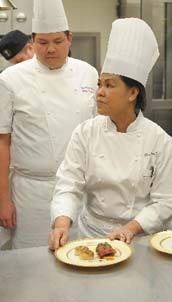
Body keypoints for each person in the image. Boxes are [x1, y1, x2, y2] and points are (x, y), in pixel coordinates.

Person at [0, 0, 98, 249]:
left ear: (69, 38)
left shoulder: (88, 73)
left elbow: (98, 132)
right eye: (43, 42)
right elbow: (1, 142)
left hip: (79, 192)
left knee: (80, 261)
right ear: (32, 41)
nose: (50, 49)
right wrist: (3, 200)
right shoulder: (10, 80)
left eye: (58, 41)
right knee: (32, 270)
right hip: (31, 195)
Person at [49, 18, 172, 250]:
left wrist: (131, 228)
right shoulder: (86, 133)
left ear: (133, 92)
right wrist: (62, 223)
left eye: (109, 85)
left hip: (140, 238)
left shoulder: (160, 140)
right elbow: (68, 184)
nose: (99, 93)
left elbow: (165, 201)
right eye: (99, 84)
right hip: (92, 236)